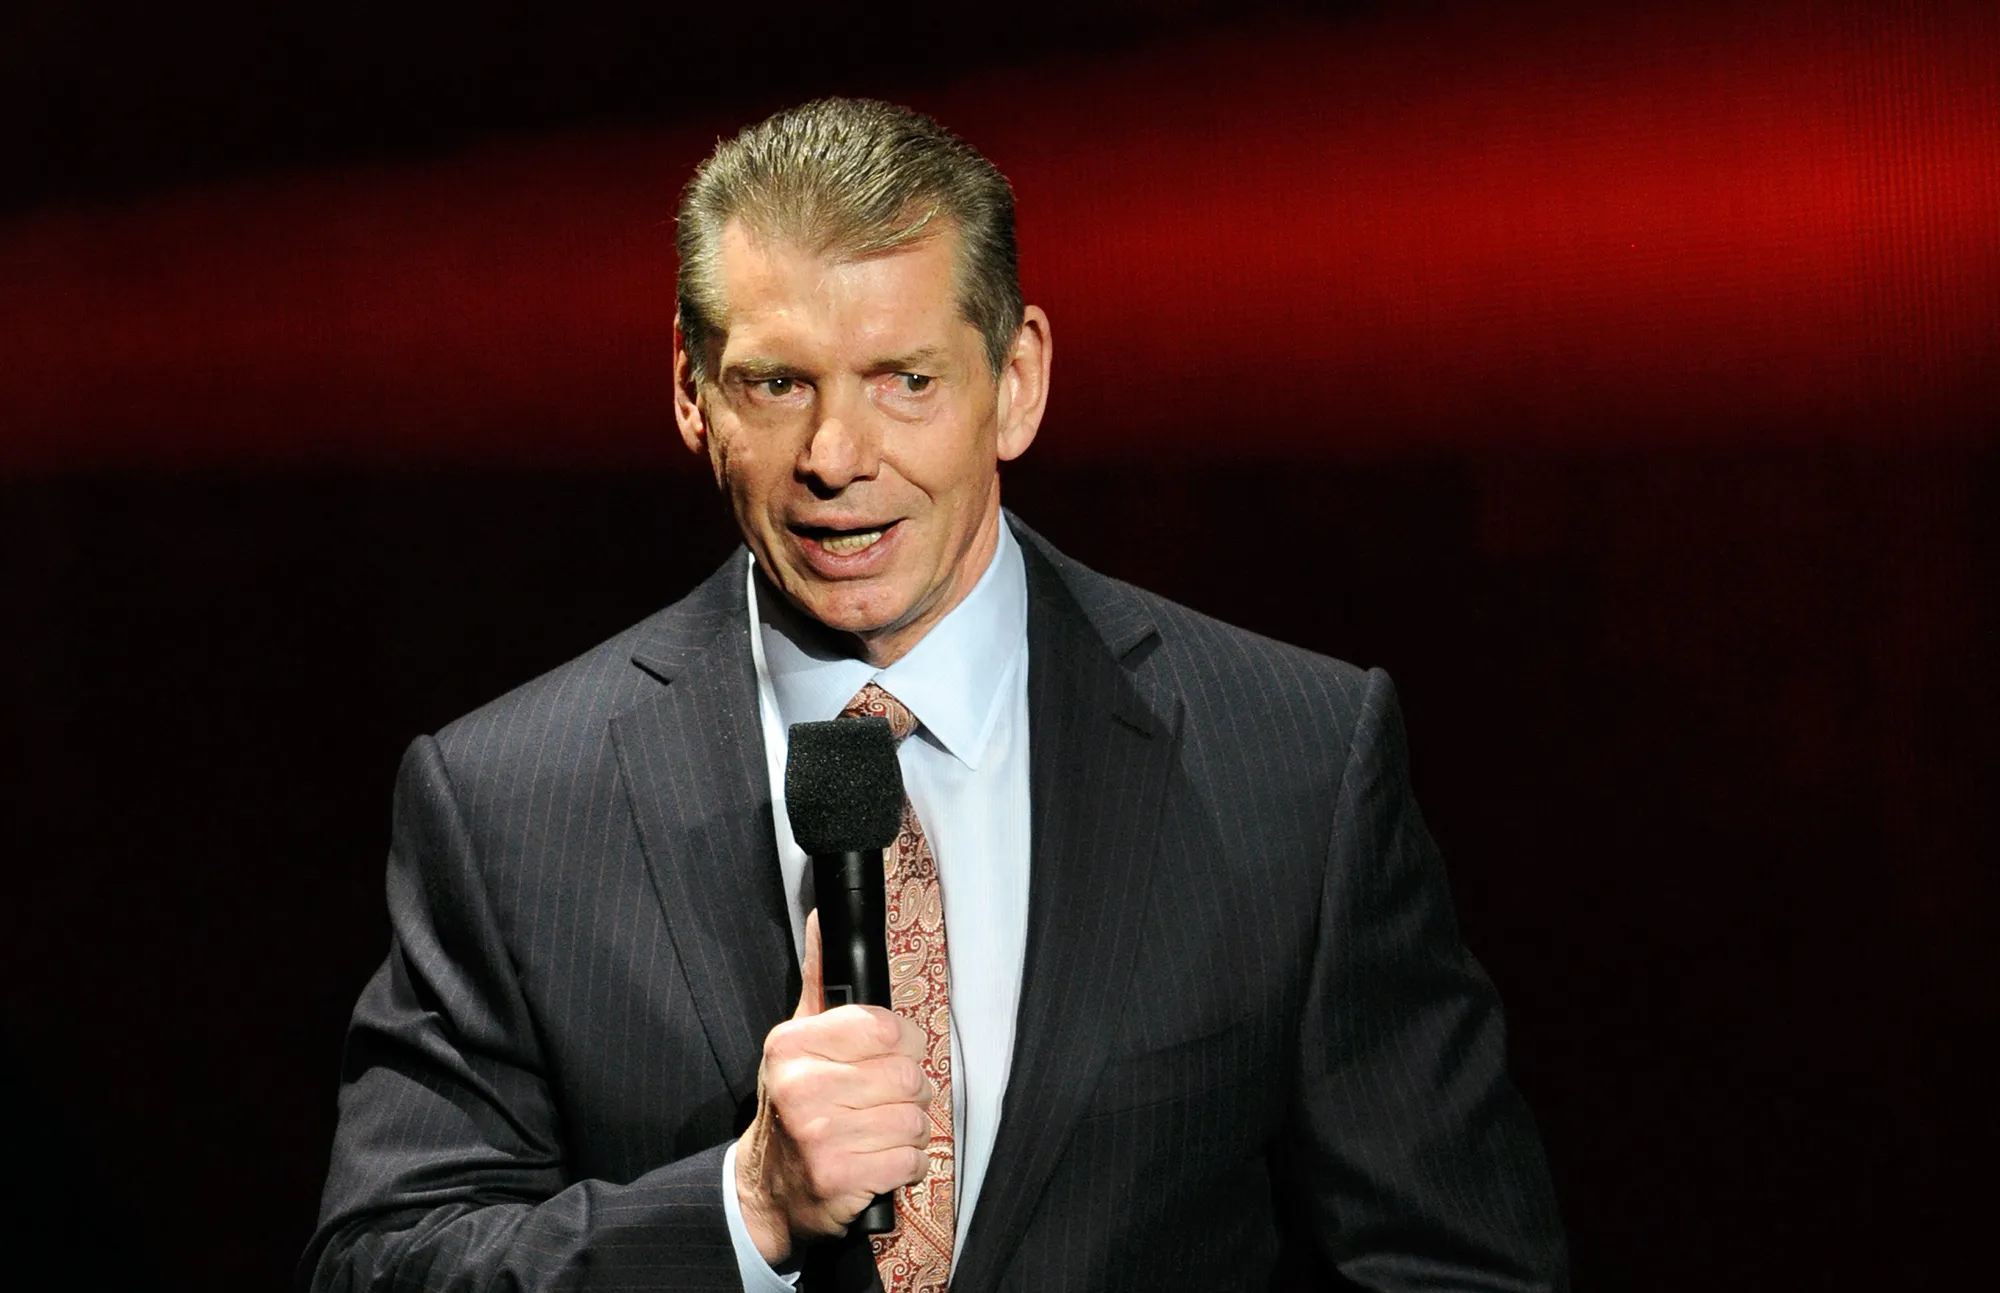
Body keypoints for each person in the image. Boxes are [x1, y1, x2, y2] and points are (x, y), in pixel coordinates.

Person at [300, 98, 1566, 1293]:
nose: (834, 458)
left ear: (1015, 382)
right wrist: (743, 1208)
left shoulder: (1291, 760)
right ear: (691, 394)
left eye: (904, 379)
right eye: (776, 384)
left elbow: (1458, 1267)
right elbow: (382, 1262)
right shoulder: (510, 802)